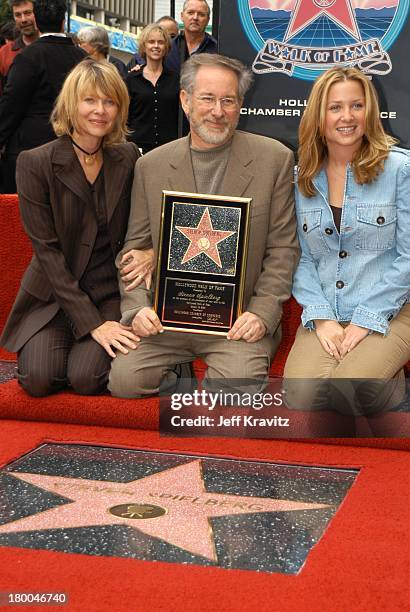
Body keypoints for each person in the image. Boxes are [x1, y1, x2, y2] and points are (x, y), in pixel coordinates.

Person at [108, 53, 299, 399]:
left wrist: (262, 313)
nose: (217, 110)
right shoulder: (150, 166)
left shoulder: (275, 160)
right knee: (125, 382)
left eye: (228, 100)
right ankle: (178, 372)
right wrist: (136, 309)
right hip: (167, 319)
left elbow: (283, 249)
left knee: (234, 391)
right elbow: (134, 250)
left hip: (237, 320)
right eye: (207, 98)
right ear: (185, 100)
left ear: (241, 104)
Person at [0, 59, 153, 397]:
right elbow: (47, 253)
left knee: (85, 379)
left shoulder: (127, 157)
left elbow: (148, 219)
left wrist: (151, 252)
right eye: (90, 100)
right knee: (39, 380)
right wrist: (93, 326)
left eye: (110, 101)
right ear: (71, 104)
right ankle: (72, 341)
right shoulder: (35, 162)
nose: (100, 110)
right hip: (53, 296)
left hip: (109, 294)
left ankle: (85, 352)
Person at [284, 66, 410, 416]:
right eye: (335, 107)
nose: (347, 116)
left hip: (394, 310)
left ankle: (390, 381)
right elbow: (301, 257)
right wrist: (322, 319)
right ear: (319, 116)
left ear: (369, 111)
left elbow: (409, 259)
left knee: (345, 399)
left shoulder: (401, 169)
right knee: (301, 400)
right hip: (328, 308)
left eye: (357, 105)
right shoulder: (302, 178)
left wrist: (366, 320)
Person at [0, 0, 84, 193]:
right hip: (72, 148)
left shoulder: (27, 57)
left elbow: (10, 105)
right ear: (64, 22)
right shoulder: (82, 58)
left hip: (28, 150)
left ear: (36, 21)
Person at [126, 23, 179, 154]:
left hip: (169, 149)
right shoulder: (131, 79)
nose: (156, 46)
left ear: (166, 47)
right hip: (137, 148)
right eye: (151, 42)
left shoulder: (176, 80)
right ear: (144, 46)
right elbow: (125, 117)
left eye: (160, 42)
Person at [166, 0, 217, 75]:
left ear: (208, 20)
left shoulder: (217, 49)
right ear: (182, 16)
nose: (195, 18)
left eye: (201, 14)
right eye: (190, 13)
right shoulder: (169, 47)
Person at [0, 1, 38, 94]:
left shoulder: (53, 48)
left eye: (28, 13)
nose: (23, 19)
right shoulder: (4, 53)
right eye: (17, 15)